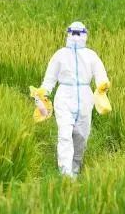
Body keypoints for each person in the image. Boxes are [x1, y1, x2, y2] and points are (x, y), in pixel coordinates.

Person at [38, 21, 109, 178]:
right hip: (64, 96)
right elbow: (49, 79)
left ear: (85, 34)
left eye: (79, 33)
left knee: (81, 136)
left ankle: (75, 169)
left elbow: (100, 74)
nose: (76, 36)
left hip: (85, 97)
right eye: (73, 33)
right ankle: (65, 174)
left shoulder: (91, 55)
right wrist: (42, 96)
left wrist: (102, 86)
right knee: (64, 134)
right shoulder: (60, 55)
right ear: (68, 34)